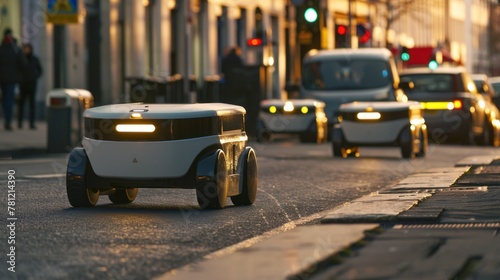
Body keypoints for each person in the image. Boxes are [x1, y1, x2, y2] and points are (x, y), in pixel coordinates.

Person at [0, 28, 26, 130]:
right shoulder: (15, 49)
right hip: (11, 79)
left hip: (3, 79)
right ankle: (8, 120)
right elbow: (23, 63)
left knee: (5, 99)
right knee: (9, 100)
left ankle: (7, 119)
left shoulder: (1, 49)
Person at [18, 43, 42, 129]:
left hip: (32, 84)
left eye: (28, 49)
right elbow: (17, 70)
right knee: (21, 104)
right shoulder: (21, 59)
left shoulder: (34, 59)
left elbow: (40, 70)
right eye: (25, 49)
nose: (27, 50)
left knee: (32, 105)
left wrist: (35, 76)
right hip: (23, 84)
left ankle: (31, 123)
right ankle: (19, 122)